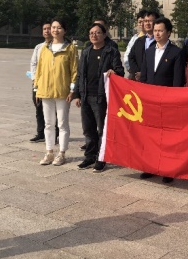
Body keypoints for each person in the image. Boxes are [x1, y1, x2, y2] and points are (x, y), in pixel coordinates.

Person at [73, 23, 124, 172]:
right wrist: (77, 94)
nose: (94, 35)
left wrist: (114, 72)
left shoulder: (111, 51)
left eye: (97, 33)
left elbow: (120, 71)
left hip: (101, 96)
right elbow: (80, 74)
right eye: (91, 33)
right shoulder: (86, 51)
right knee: (88, 129)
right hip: (86, 95)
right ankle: (90, 156)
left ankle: (101, 158)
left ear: (104, 34)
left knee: (102, 129)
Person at [139, 17, 185, 182]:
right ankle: (150, 166)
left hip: (168, 102)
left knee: (167, 138)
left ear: (168, 33)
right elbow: (144, 78)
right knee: (150, 136)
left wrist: (173, 101)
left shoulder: (176, 52)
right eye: (155, 30)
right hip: (150, 102)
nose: (157, 33)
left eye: (160, 30)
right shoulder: (149, 51)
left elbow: (178, 81)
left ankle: (168, 170)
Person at [34, 18, 78, 166]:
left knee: (62, 123)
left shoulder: (70, 48)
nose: (55, 30)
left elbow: (74, 71)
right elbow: (39, 70)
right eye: (53, 27)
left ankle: (62, 153)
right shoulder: (44, 48)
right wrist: (36, 88)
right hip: (45, 90)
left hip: (63, 91)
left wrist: (72, 90)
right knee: (48, 123)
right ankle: (49, 152)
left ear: (64, 30)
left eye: (59, 27)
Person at [29, 23, 52, 143]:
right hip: (38, 83)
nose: (46, 31)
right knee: (38, 107)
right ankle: (40, 133)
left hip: (52, 83)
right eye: (44, 29)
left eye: (49, 28)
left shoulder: (58, 46)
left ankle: (55, 133)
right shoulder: (39, 47)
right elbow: (33, 63)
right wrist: (34, 79)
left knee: (53, 109)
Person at [128, 11, 159, 81]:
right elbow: (131, 57)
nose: (147, 23)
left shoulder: (160, 42)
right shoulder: (139, 41)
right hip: (138, 80)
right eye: (145, 21)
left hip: (154, 80)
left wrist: (144, 74)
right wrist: (137, 72)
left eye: (150, 21)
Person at [124, 10, 146, 79]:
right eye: (139, 22)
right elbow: (128, 55)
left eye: (143, 21)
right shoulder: (135, 38)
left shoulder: (153, 38)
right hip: (134, 73)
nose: (141, 24)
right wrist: (131, 69)